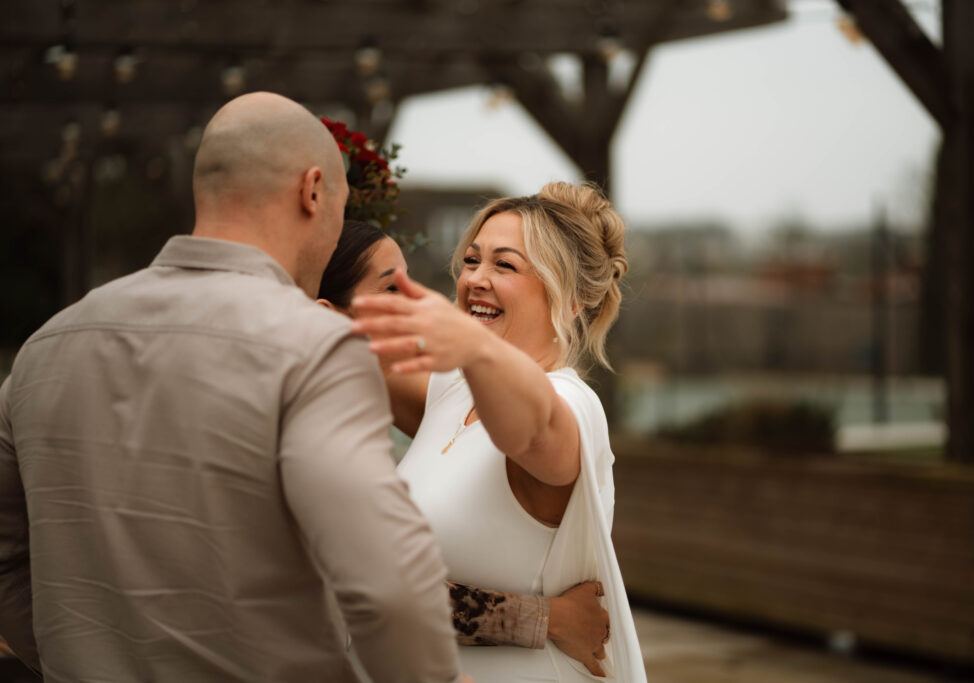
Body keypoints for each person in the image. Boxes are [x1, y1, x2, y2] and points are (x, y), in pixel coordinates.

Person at [0, 92, 463, 682]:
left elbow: (7, 561)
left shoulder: (44, 349)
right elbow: (387, 585)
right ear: (314, 191)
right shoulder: (316, 347)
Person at [350, 182, 648, 681]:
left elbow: (529, 433)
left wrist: (472, 347)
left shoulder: (573, 406)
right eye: (471, 261)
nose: (477, 279)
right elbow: (346, 340)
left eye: (504, 265)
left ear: (571, 299)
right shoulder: (451, 388)